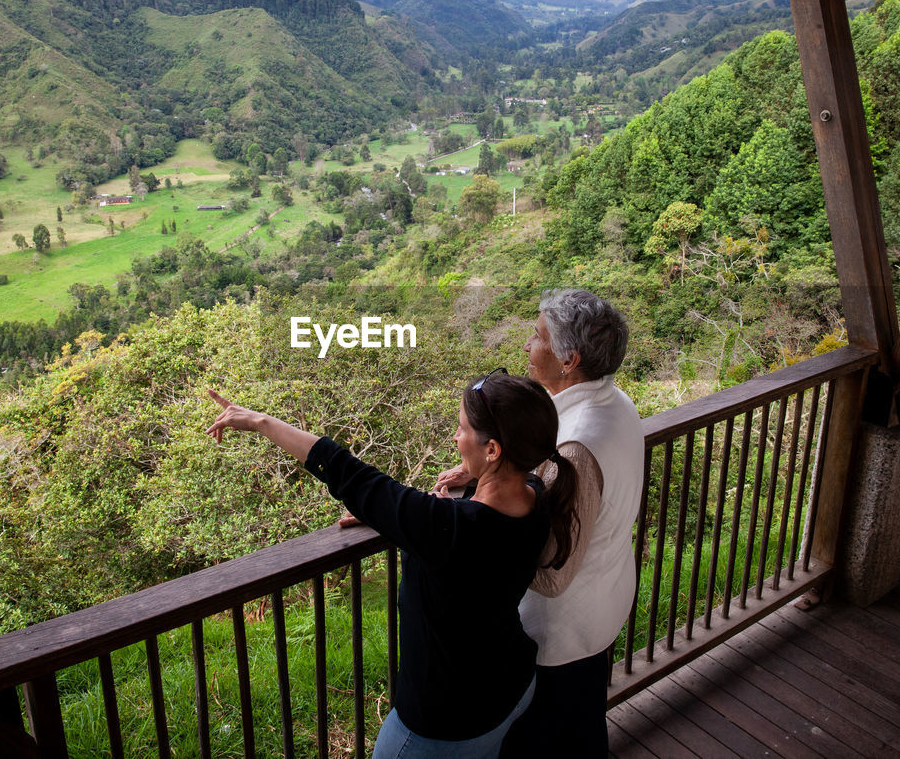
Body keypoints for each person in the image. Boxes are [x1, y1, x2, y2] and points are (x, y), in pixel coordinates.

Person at [206, 370, 579, 758]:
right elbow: (474, 519)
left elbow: (348, 472)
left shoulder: (448, 527)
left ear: (494, 450)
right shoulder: (534, 496)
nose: (455, 437)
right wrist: (433, 502)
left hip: (444, 723)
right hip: (510, 686)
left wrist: (260, 421)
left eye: (462, 428)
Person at [438, 289, 644, 756]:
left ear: (569, 359)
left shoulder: (574, 448)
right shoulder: (616, 405)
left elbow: (552, 573)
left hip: (561, 635)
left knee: (546, 742)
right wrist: (480, 477)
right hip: (602, 605)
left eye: (537, 337)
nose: (528, 348)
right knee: (584, 727)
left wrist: (464, 523)